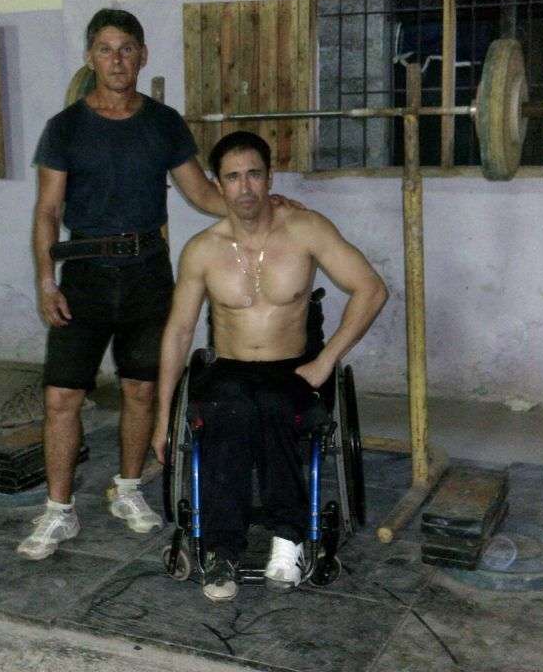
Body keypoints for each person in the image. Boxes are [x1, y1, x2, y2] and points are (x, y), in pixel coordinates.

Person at [17, 10, 297, 561]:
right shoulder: (65, 127)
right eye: (104, 49)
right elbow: (48, 210)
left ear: (143, 55)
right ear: (90, 56)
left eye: (126, 49)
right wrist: (45, 280)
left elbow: (201, 193)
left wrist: (253, 201)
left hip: (147, 269)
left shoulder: (164, 123)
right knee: (61, 396)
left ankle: (127, 489)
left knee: (141, 388)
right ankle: (58, 511)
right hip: (85, 273)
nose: (116, 59)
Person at [151, 130, 387, 601]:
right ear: (218, 185)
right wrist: (162, 422)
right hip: (231, 367)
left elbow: (371, 289)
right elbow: (178, 333)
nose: (245, 188)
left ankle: (288, 537)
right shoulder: (202, 250)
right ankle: (222, 551)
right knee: (229, 409)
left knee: (278, 406)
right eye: (233, 177)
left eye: (254, 174)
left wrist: (326, 360)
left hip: (293, 367)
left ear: (269, 178)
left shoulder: (306, 229)